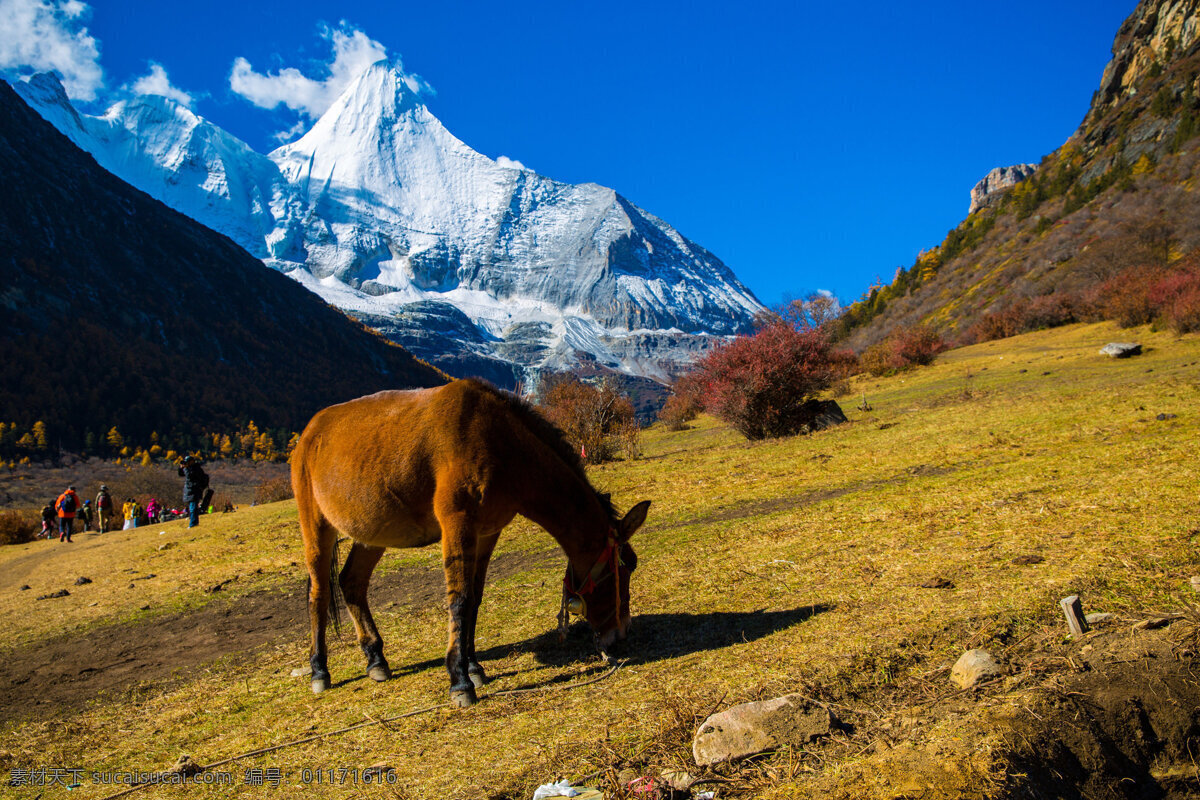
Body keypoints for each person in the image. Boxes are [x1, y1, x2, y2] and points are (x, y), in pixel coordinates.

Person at [178, 456, 209, 528]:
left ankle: (193, 524)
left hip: (195, 490)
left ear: (191, 461)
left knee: (193, 508)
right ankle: (194, 522)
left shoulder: (196, 469)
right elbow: (180, 474)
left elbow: (189, 476)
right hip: (190, 491)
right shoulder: (189, 469)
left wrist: (185, 468)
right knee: (192, 508)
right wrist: (181, 468)